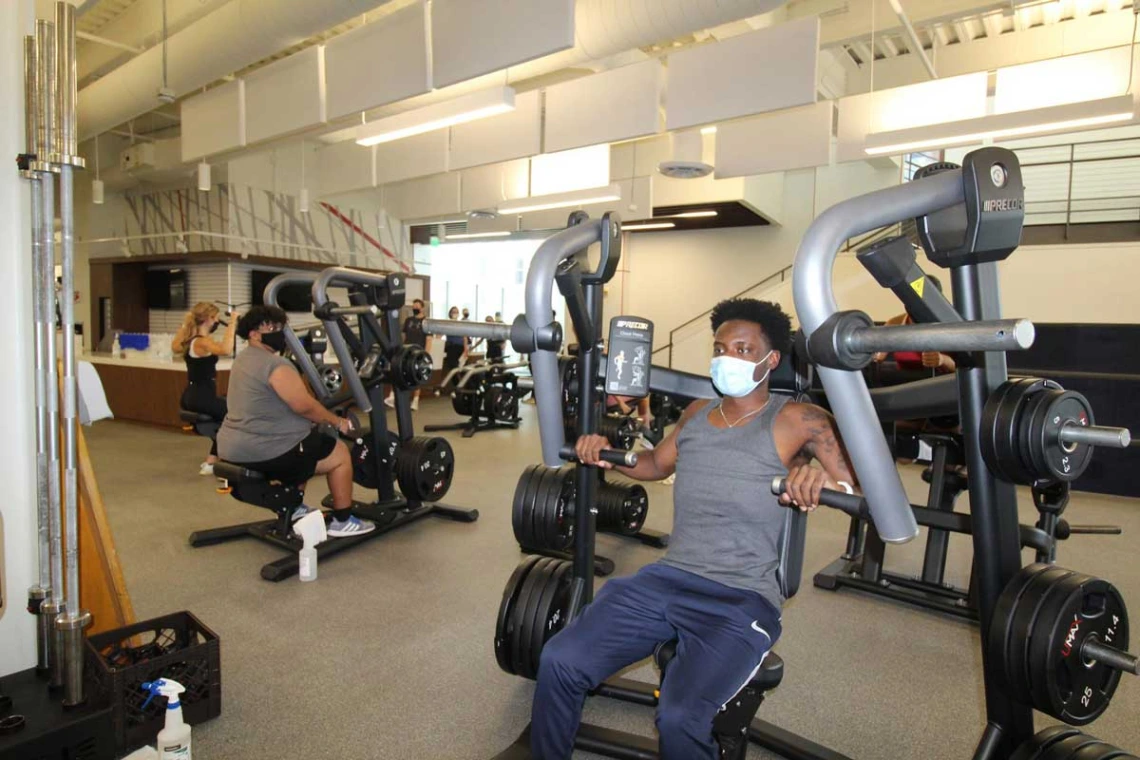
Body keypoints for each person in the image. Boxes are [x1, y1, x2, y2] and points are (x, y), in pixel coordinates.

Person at [532, 298, 859, 760]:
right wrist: (600, 450)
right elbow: (650, 465)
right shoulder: (695, 415)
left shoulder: (799, 420)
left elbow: (863, 491)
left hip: (740, 597)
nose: (727, 357)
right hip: (668, 579)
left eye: (743, 349)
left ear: (771, 361)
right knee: (560, 660)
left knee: (681, 717)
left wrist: (823, 479)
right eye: (721, 347)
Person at [216, 305, 375, 538]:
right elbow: (304, 405)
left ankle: (297, 508)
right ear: (253, 333)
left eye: (280, 327)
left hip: (231, 447)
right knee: (339, 453)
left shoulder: (243, 360)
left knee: (309, 443)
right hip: (267, 451)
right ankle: (343, 521)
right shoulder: (276, 365)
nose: (278, 332)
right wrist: (336, 421)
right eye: (271, 327)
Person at [171, 302, 237, 476]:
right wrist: (232, 323)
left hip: (191, 395)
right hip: (202, 397)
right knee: (235, 416)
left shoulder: (189, 341)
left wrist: (185, 325)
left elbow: (174, 346)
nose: (217, 322)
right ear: (209, 319)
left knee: (226, 413)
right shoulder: (202, 342)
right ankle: (213, 462)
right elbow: (226, 349)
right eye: (215, 318)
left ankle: (214, 459)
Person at [385, 298, 430, 411]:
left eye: (417, 307)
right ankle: (392, 396)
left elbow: (429, 340)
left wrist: (426, 355)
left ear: (422, 308)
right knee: (397, 370)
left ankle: (415, 401)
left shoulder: (426, 322)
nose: (415, 308)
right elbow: (404, 336)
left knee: (416, 375)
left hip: (419, 352)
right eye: (413, 307)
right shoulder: (408, 320)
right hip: (406, 350)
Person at [437, 306, 469, 394]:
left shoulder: (461, 324)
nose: (455, 313)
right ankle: (458, 387)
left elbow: (465, 337)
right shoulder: (447, 324)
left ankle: (466, 387)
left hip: (460, 348)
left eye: (457, 312)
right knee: (453, 368)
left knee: (463, 368)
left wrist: (466, 349)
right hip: (451, 348)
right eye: (453, 312)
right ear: (450, 313)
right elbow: (440, 334)